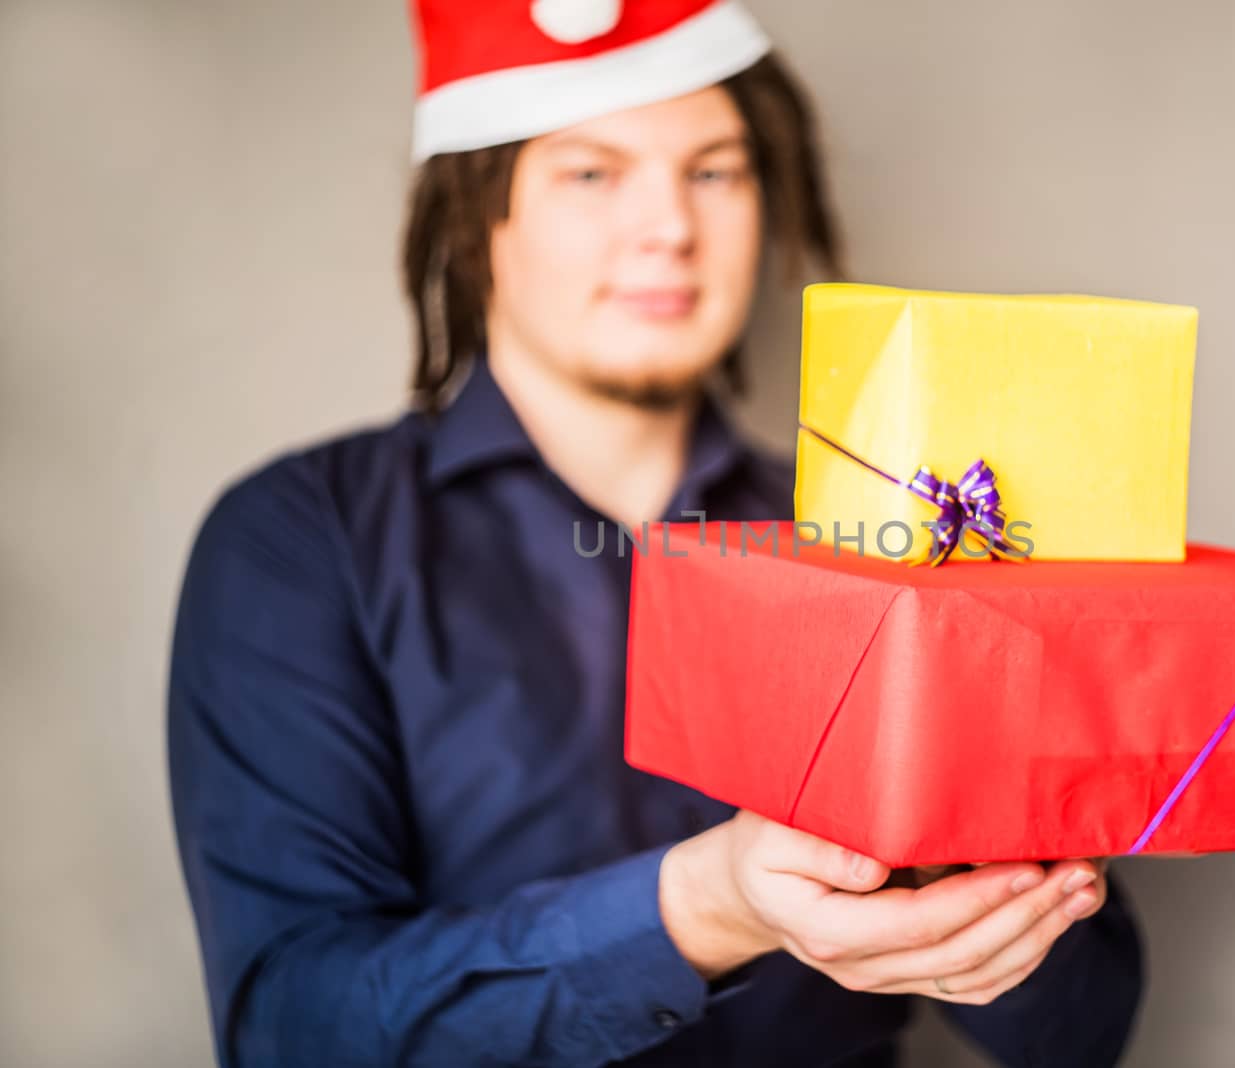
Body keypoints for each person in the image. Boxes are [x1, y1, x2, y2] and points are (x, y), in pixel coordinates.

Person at [166, 1, 1144, 1065]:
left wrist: (983, 883)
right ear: (473, 213)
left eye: (715, 171)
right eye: (591, 173)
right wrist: (705, 907)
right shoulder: (302, 546)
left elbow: (1083, 1032)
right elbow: (291, 1033)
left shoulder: (889, 545)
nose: (670, 226)